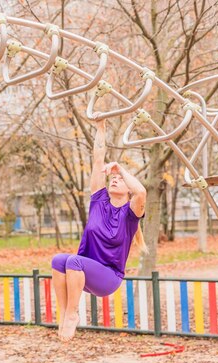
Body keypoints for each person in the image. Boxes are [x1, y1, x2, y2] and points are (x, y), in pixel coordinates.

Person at [51, 118, 147, 341]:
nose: (114, 180)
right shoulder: (98, 201)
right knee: (58, 260)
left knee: (72, 261)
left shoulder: (130, 215)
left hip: (108, 278)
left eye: (119, 180)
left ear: (127, 188)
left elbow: (141, 192)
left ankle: (73, 313)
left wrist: (121, 169)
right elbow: (97, 161)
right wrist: (101, 128)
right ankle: (65, 313)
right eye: (112, 178)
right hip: (82, 274)